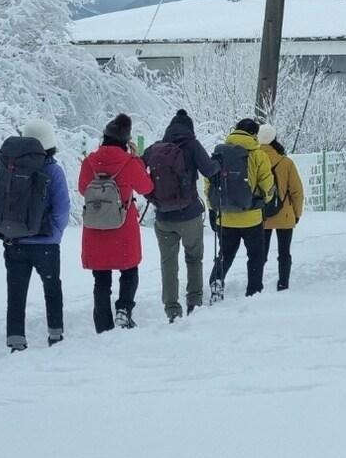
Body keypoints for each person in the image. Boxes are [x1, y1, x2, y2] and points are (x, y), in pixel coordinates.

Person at [0, 120, 70, 351]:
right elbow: (62, 208)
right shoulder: (53, 169)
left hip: (14, 239)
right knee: (52, 288)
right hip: (45, 242)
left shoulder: (10, 166)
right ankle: (55, 333)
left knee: (16, 291)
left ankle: (16, 338)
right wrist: (54, 234)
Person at [78, 114, 153, 332]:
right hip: (122, 226)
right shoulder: (128, 162)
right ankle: (123, 310)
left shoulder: (89, 162)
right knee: (129, 270)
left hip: (95, 226)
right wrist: (136, 158)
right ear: (124, 141)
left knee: (101, 279)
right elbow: (146, 187)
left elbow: (83, 189)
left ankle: (103, 323)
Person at [143, 109, 218, 323]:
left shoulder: (155, 148)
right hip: (190, 216)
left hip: (164, 218)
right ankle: (194, 303)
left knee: (168, 263)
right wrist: (218, 163)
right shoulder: (192, 145)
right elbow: (209, 170)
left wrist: (151, 195)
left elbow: (137, 169)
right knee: (194, 258)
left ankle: (172, 310)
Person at [207, 117, 275, 301]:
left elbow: (209, 182)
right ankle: (253, 290)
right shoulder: (258, 154)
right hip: (251, 216)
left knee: (226, 253)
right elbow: (267, 182)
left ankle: (217, 280)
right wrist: (267, 199)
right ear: (254, 134)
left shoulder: (220, 153)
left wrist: (213, 207)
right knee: (255, 255)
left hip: (226, 216)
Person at [256, 125, 304, 292]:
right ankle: (283, 284)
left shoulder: (253, 159)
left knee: (260, 254)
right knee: (284, 253)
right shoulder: (286, 162)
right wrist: (296, 214)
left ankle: (257, 284)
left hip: (261, 215)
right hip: (284, 215)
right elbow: (297, 192)